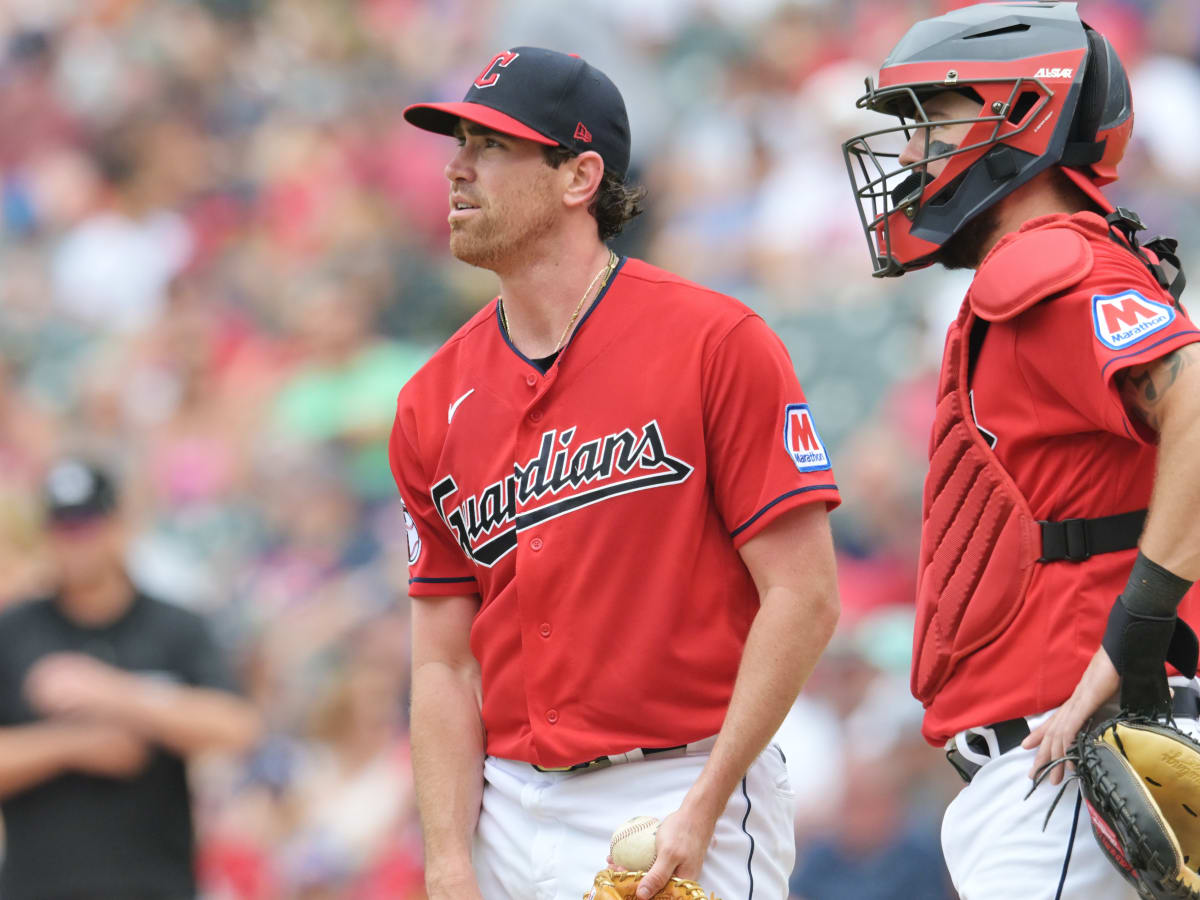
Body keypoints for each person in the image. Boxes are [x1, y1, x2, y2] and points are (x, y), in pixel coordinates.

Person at [390, 47, 841, 900]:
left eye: (491, 146)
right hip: (507, 806)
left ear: (579, 176)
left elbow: (805, 595)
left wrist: (709, 801)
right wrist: (449, 858)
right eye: (458, 142)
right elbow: (443, 666)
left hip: (678, 784)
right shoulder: (430, 400)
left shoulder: (715, 342)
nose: (456, 168)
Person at [842, 3, 1200, 898]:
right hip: (1062, 766)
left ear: (1024, 111)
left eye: (935, 120)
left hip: (1076, 761)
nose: (914, 156)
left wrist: (1138, 628)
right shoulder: (1038, 270)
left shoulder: (1048, 263)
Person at [0, 458, 262, 900]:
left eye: (87, 526)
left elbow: (237, 727)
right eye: (62, 529)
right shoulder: (14, 631)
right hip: (38, 885)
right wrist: (74, 745)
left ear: (119, 526)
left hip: (155, 882)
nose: (75, 543)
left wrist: (117, 694)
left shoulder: (174, 626)